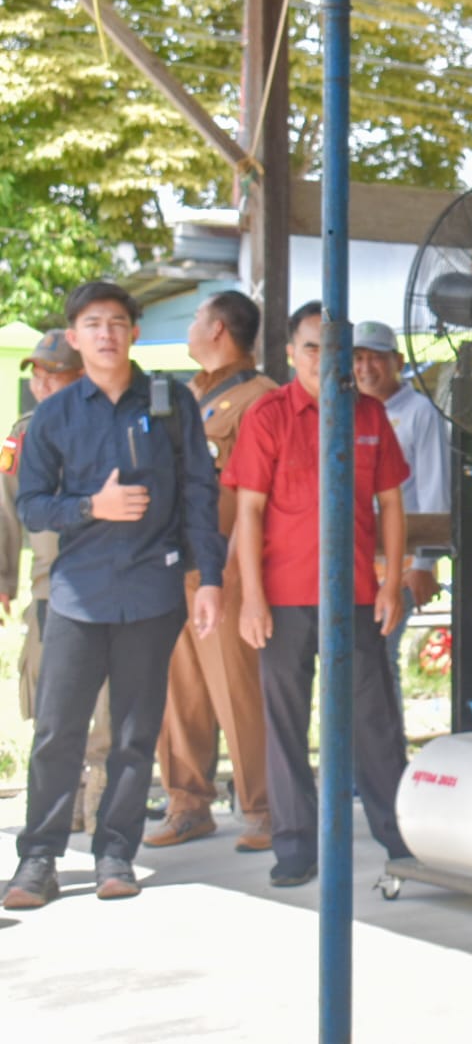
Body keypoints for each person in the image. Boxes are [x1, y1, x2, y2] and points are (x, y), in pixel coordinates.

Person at [3, 281, 225, 909]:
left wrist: (209, 578)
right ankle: (39, 860)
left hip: (153, 591)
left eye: (118, 322)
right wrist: (91, 506)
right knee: (57, 731)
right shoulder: (52, 415)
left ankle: (114, 854)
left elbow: (200, 495)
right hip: (76, 594)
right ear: (75, 338)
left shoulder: (169, 403)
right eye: (93, 324)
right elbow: (33, 506)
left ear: (133, 333)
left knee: (134, 731)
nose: (106, 333)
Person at [226, 301, 412, 887]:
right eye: (312, 347)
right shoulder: (267, 416)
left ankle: (400, 837)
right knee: (285, 723)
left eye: (335, 349)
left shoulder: (369, 415)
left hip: (356, 594)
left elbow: (391, 504)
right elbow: (249, 512)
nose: (323, 359)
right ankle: (295, 845)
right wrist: (251, 598)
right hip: (282, 596)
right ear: (290, 353)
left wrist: (391, 582)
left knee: (374, 721)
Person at [145, 291, 279, 853]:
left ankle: (265, 808)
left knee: (239, 691)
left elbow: (261, 497)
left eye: (197, 318)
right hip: (173, 567)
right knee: (178, 692)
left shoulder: (261, 400)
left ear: (219, 328)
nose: (192, 326)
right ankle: (188, 803)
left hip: (230, 568)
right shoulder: (182, 396)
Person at [0, 331, 109, 833]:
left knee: (109, 711)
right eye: (37, 375)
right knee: (51, 708)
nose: (42, 384)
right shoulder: (20, 435)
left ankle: (103, 810)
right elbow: (4, 511)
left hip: (109, 585)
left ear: (80, 375)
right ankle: (57, 811)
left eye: (54, 374)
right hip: (48, 589)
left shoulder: (106, 423)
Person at [351, 320, 450, 698]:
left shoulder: (419, 412)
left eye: (375, 358)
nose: (365, 368)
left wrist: (424, 564)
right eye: (357, 358)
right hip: (358, 559)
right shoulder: (348, 410)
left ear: (398, 361)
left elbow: (434, 490)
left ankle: (385, 751)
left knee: (379, 658)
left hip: (402, 564)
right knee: (357, 661)